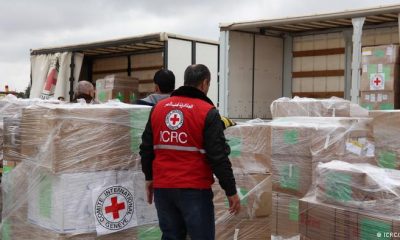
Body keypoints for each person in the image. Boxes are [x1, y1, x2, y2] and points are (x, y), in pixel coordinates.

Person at [140, 64, 240, 240]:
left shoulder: (159, 108)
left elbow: (146, 147)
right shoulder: (207, 112)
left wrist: (149, 177)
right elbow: (218, 157)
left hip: (163, 189)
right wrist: (230, 190)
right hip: (194, 190)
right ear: (204, 84)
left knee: (171, 236)